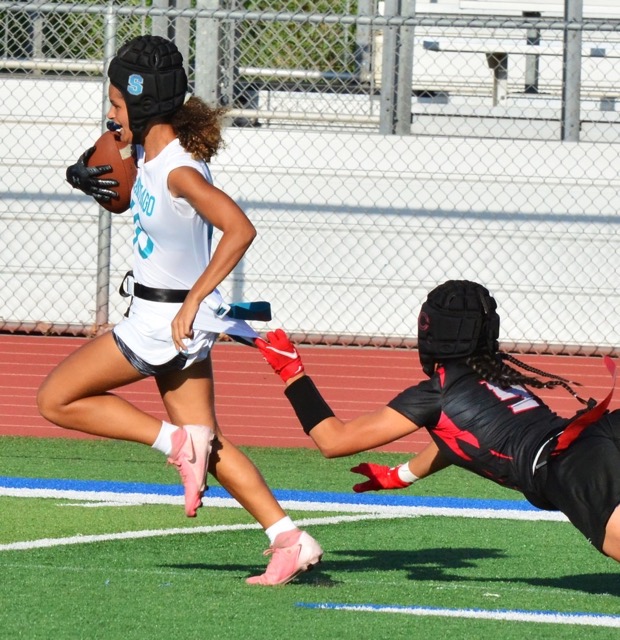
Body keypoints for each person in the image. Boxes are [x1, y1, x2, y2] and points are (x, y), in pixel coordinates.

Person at [37, 34, 322, 586]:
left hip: (160, 324)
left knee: (56, 399)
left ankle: (173, 443)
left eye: (117, 104)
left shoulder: (178, 171)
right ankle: (290, 537)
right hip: (177, 328)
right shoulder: (146, 147)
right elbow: (113, 179)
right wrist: (82, 171)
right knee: (211, 443)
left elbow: (240, 229)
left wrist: (193, 301)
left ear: (143, 106)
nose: (109, 113)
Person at [255, 280, 620, 562]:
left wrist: (292, 374)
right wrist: (402, 475)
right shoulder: (494, 372)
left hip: (572, 468)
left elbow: (333, 441)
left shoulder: (437, 394)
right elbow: (461, 436)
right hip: (597, 433)